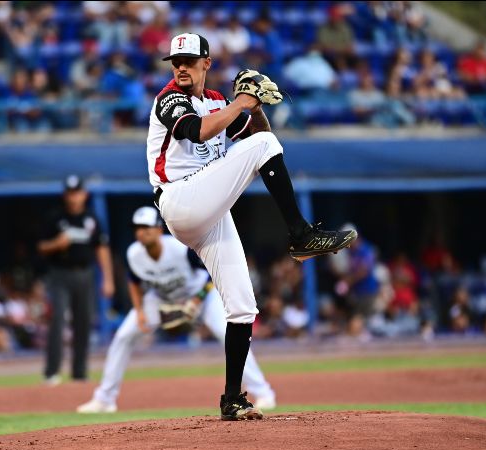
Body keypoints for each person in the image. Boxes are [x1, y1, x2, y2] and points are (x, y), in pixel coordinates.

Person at [146, 33, 356, 420]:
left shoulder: (217, 102)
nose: (180, 67)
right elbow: (197, 131)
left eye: (189, 61)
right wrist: (243, 101)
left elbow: (260, 136)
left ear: (206, 63)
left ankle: (232, 399)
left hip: (208, 210)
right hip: (178, 200)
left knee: (242, 306)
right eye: (176, 62)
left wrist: (254, 104)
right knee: (263, 150)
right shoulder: (170, 98)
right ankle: (301, 234)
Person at [77, 207, 276, 414]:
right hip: (161, 298)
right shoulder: (134, 253)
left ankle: (264, 393)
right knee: (124, 336)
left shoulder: (180, 248)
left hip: (200, 295)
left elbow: (211, 274)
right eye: (137, 228)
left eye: (146, 227)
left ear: (158, 229)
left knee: (227, 331)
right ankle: (105, 399)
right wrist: (140, 311)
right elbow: (134, 283)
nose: (141, 232)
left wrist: (197, 301)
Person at [37, 175, 115, 384]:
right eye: (70, 193)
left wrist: (107, 279)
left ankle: (79, 372)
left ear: (84, 194)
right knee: (57, 321)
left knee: (84, 322)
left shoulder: (91, 219)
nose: (74, 198)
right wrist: (56, 244)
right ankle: (52, 372)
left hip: (85, 274)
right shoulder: (55, 217)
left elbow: (102, 248)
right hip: (60, 274)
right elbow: (41, 247)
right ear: (65, 195)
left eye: (77, 193)